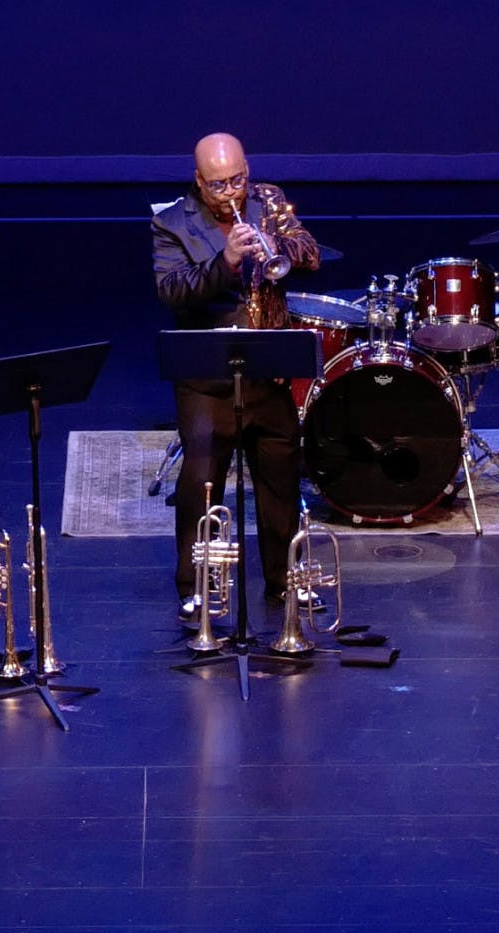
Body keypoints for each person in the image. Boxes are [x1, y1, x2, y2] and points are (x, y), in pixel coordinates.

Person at [152, 132, 320, 626]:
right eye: (221, 184)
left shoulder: (267, 199)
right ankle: (195, 585)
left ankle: (285, 578)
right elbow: (171, 290)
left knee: (280, 476)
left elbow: (309, 252)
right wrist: (225, 261)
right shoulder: (171, 224)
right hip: (207, 377)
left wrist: (276, 245)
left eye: (239, 179)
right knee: (202, 483)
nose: (233, 192)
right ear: (200, 182)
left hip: (267, 367)